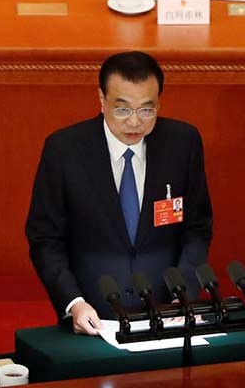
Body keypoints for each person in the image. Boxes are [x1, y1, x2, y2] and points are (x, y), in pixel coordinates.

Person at [26, 51, 213, 334]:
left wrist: (182, 293)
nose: (135, 122)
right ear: (102, 100)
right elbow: (45, 238)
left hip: (167, 315)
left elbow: (197, 228)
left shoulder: (182, 143)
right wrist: (73, 302)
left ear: (159, 102)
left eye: (147, 109)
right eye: (122, 109)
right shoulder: (64, 150)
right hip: (93, 319)